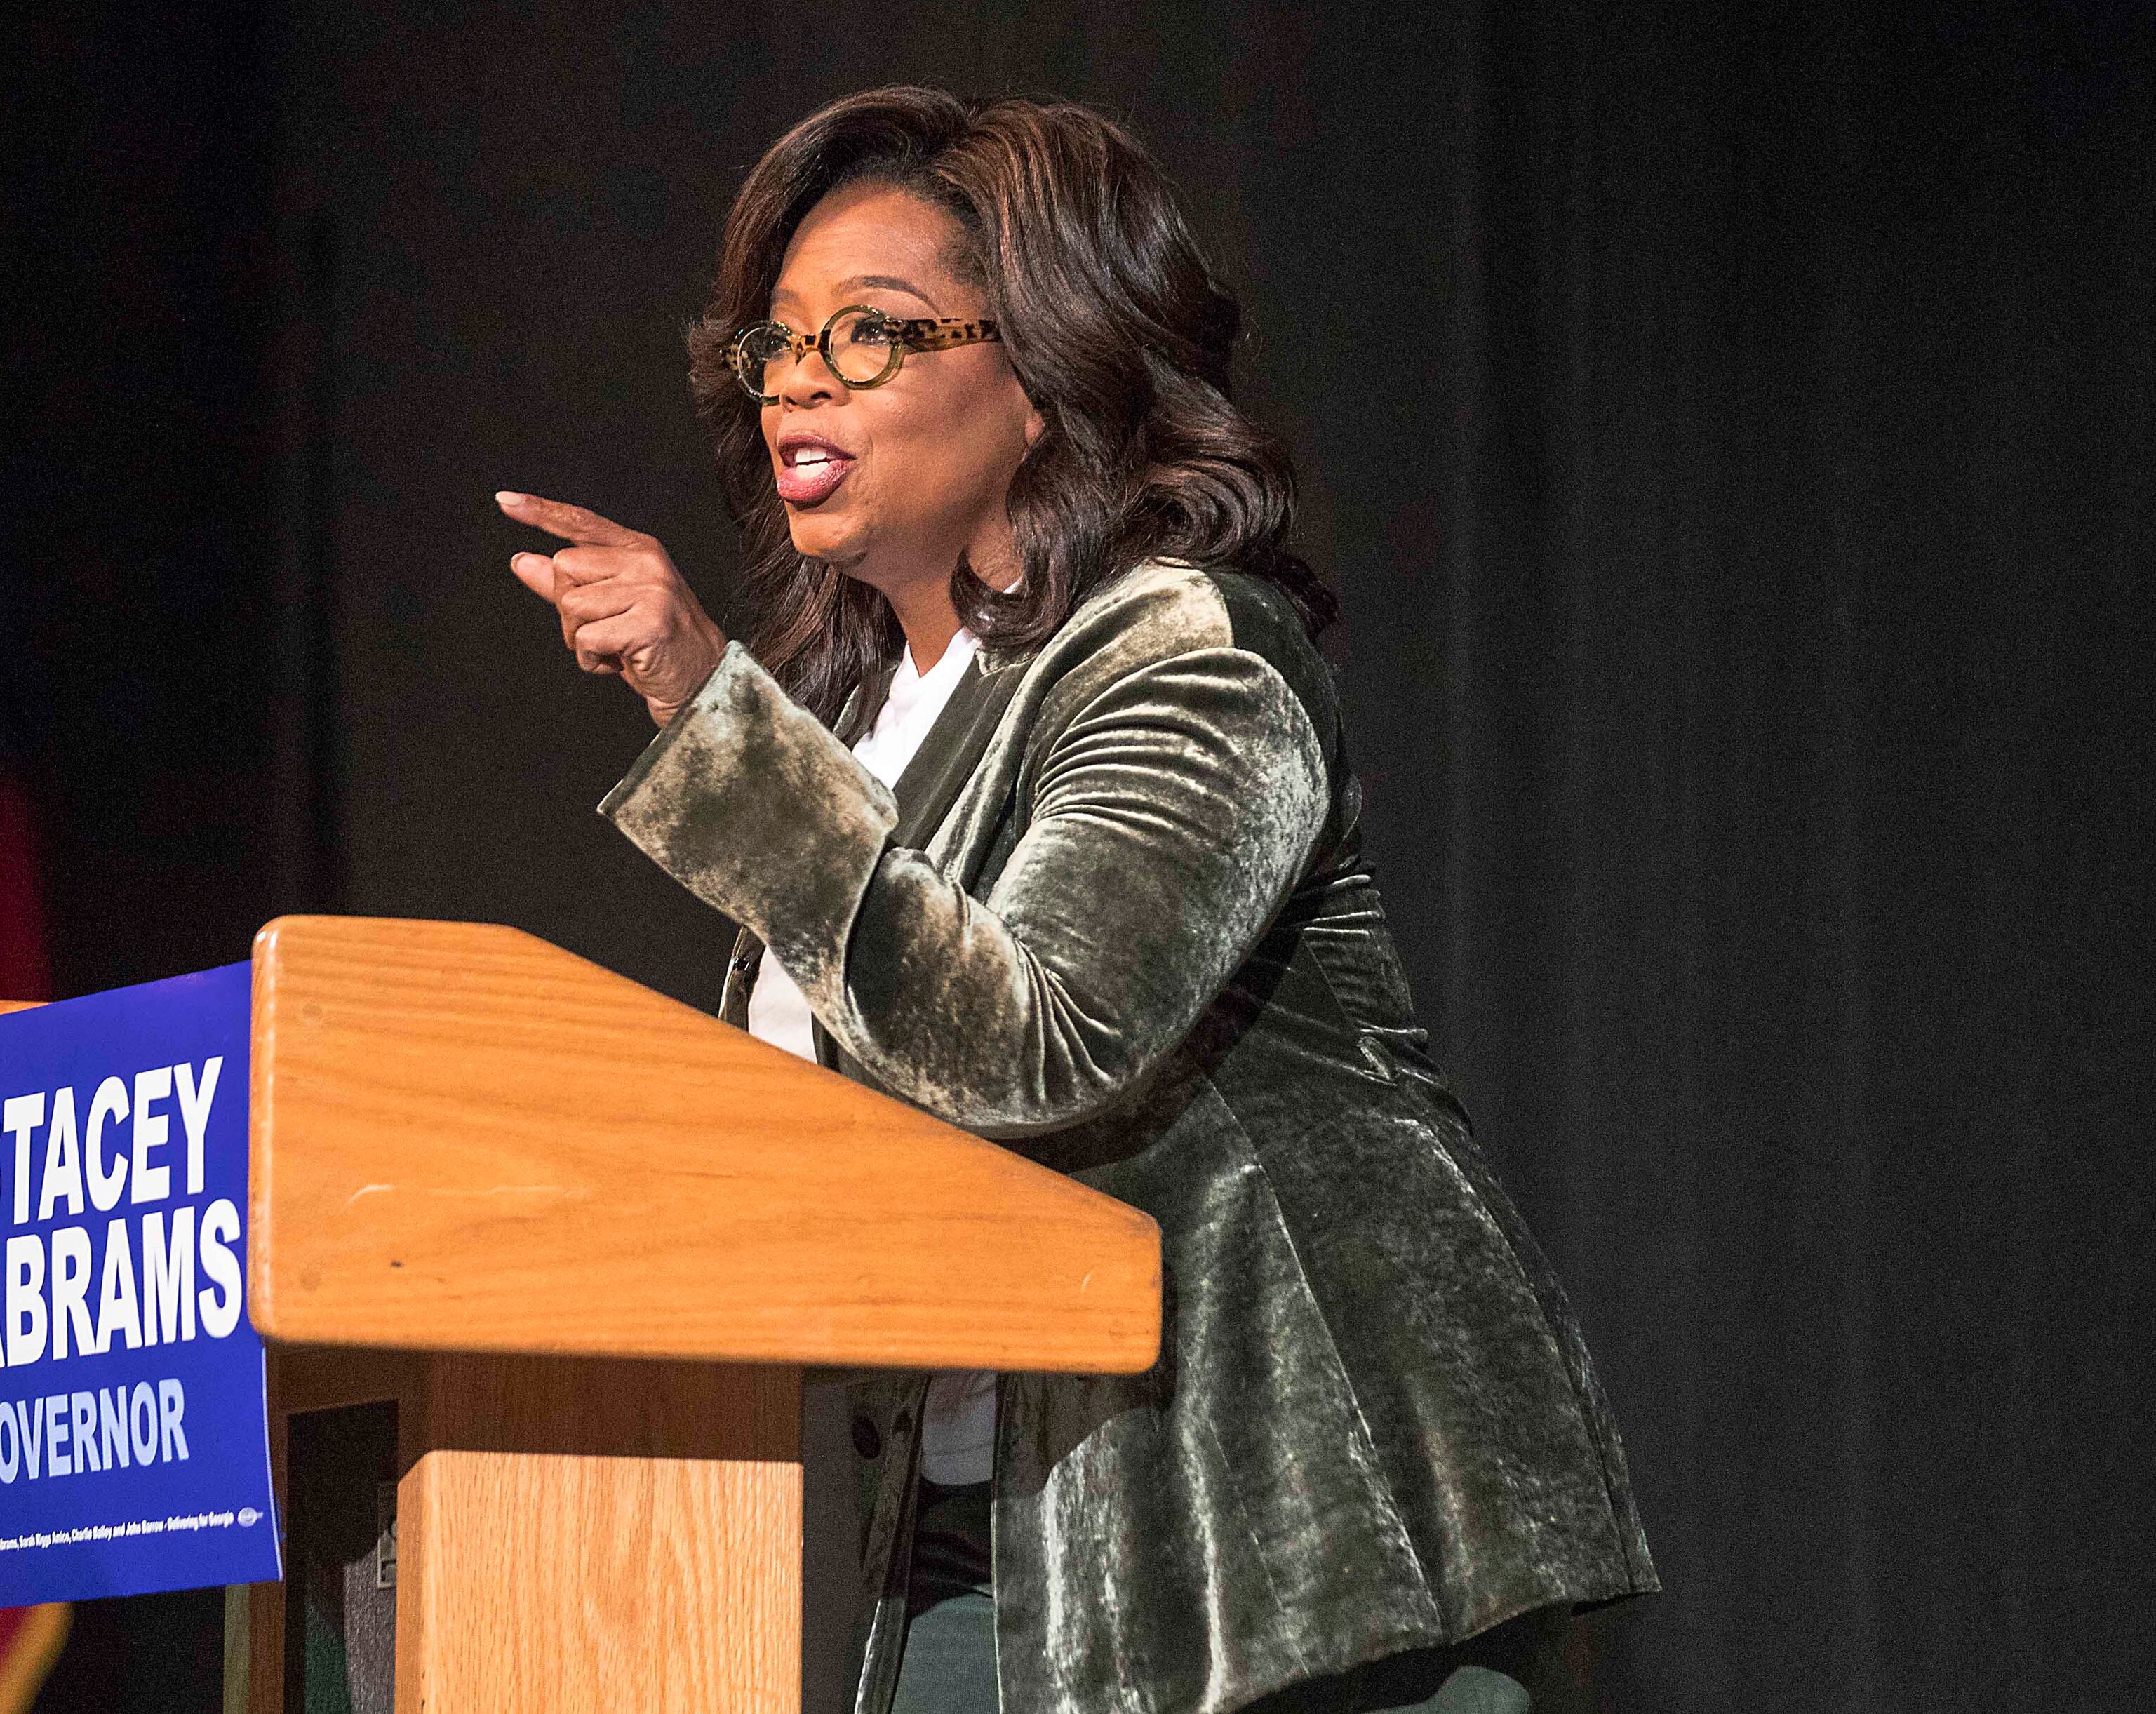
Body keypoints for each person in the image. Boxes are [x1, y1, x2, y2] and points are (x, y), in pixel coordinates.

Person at [500, 87, 1656, 1714]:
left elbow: (1038, 1032)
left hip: (1294, 1563)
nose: (801, 383)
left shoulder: (1186, 653)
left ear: (1041, 377)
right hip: (990, 1552)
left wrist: (712, 717)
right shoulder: (852, 737)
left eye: (872, 335)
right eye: (777, 345)